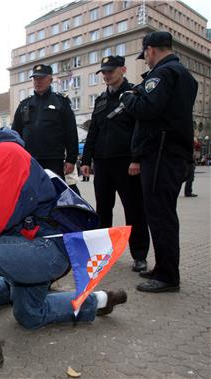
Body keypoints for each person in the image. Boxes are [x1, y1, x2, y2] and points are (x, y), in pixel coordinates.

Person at [0, 102, 126, 373]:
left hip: (48, 248)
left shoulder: (3, 154)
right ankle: (100, 300)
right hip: (24, 245)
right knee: (30, 315)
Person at [120, 31, 198, 293]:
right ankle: (165, 267)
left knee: (161, 216)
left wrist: (128, 97)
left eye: (146, 56)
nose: (146, 61)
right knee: (162, 214)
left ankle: (167, 276)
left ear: (151, 50)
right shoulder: (184, 75)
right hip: (172, 153)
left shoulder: (163, 74)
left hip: (161, 154)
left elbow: (147, 109)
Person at [81, 55, 150, 273]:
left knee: (134, 210)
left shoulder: (134, 95)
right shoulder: (101, 100)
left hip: (126, 163)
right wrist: (86, 160)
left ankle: (139, 255)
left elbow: (142, 129)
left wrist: (136, 158)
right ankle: (104, 253)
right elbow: (93, 132)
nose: (107, 75)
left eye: (111, 70)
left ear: (123, 70)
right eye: (104, 72)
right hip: (102, 163)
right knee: (103, 210)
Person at [11, 64, 78, 179]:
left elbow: (71, 132)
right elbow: (15, 133)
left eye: (41, 78)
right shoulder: (25, 104)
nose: (38, 81)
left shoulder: (61, 102)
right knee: (31, 194)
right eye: (35, 78)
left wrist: (71, 159)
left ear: (50, 80)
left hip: (53, 160)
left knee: (54, 193)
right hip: (29, 159)